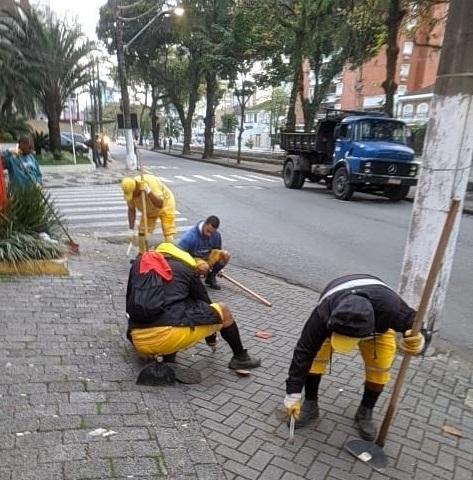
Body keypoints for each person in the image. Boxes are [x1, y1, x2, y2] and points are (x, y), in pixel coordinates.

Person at [284, 274, 426, 441]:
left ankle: (365, 412)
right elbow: (303, 352)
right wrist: (292, 395)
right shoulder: (323, 314)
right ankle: (310, 403)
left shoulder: (392, 310)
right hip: (335, 309)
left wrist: (420, 341)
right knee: (314, 360)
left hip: (378, 328)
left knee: (379, 368)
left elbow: (418, 326)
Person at [127, 242, 261, 370]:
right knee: (223, 310)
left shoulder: (140, 265)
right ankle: (241, 358)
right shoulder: (185, 269)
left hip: (138, 339)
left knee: (176, 308)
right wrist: (211, 337)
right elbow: (206, 305)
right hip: (166, 336)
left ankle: (168, 355)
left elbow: (129, 301)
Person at [121, 174, 176, 253]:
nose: (132, 197)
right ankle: (142, 253)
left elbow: (160, 204)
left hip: (165, 204)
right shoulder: (129, 189)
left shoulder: (150, 182)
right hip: (148, 209)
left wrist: (149, 191)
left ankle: (170, 253)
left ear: (136, 188)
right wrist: (131, 229)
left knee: (167, 229)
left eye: (133, 194)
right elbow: (131, 210)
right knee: (142, 230)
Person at [177, 215, 230, 290]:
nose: (209, 235)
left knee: (225, 255)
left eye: (212, 233)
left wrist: (219, 268)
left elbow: (217, 250)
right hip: (194, 259)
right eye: (208, 231)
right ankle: (194, 281)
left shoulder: (216, 235)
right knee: (204, 267)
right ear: (205, 224)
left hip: (207, 257)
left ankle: (211, 277)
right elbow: (179, 254)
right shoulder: (190, 236)